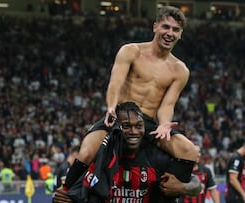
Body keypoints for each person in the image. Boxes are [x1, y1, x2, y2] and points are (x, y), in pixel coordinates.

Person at [64, 5, 199, 190]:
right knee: (87, 151)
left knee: (189, 150)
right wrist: (111, 107)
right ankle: (65, 193)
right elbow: (115, 83)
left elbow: (167, 104)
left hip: (149, 125)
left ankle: (168, 194)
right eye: (166, 27)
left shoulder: (180, 70)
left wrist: (164, 124)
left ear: (181, 34)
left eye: (176, 29)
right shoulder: (131, 51)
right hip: (120, 117)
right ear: (155, 27)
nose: (170, 33)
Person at [54, 102, 201, 203]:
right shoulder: (101, 156)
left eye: (139, 126)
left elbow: (196, 183)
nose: (134, 132)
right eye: (126, 126)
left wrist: (183, 187)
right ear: (116, 127)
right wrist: (63, 196)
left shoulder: (156, 156)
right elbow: (66, 193)